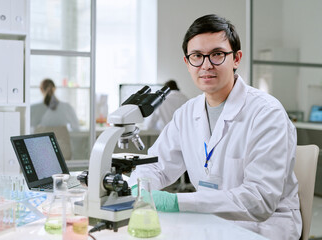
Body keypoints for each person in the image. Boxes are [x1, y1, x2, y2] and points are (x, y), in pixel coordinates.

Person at [128, 14, 301, 240]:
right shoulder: (186, 114)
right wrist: (138, 187)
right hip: (210, 223)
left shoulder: (266, 113)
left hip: (264, 228)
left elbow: (259, 200)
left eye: (217, 54)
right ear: (187, 63)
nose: (206, 65)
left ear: (236, 58)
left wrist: (174, 201)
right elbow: (157, 166)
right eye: (197, 56)